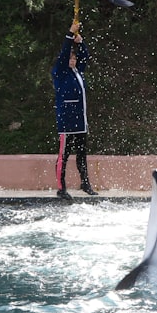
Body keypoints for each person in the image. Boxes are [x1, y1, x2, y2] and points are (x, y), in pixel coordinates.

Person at [51, 22, 98, 198]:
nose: (73, 60)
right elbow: (63, 55)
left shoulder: (77, 72)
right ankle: (61, 188)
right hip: (67, 122)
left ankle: (85, 183)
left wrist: (81, 43)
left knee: (81, 155)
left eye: (74, 58)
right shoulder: (60, 72)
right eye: (70, 58)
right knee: (63, 156)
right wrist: (69, 35)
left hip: (80, 122)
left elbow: (85, 56)